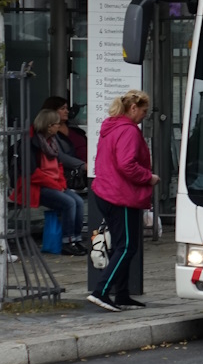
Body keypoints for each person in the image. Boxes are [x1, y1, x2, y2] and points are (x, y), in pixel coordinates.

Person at [88, 90, 160, 312]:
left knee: (123, 245)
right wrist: (149, 178)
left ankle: (122, 294)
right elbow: (126, 164)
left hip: (106, 192)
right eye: (144, 111)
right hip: (121, 195)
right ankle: (102, 291)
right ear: (133, 108)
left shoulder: (111, 127)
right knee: (127, 246)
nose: (145, 116)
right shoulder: (128, 131)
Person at [8, 109, 89, 255]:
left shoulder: (52, 142)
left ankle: (76, 239)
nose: (60, 127)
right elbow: (32, 174)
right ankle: (67, 241)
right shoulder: (30, 144)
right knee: (69, 203)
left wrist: (62, 185)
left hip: (53, 184)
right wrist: (58, 186)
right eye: (57, 124)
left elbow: (58, 166)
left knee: (78, 201)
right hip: (35, 187)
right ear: (49, 126)